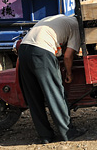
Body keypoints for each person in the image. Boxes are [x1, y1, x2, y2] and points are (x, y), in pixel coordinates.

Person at [18, 15, 85, 143]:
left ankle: (45, 136)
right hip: (42, 52)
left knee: (34, 96)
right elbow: (67, 56)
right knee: (55, 93)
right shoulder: (76, 26)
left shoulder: (60, 18)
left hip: (24, 49)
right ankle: (68, 132)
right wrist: (69, 74)